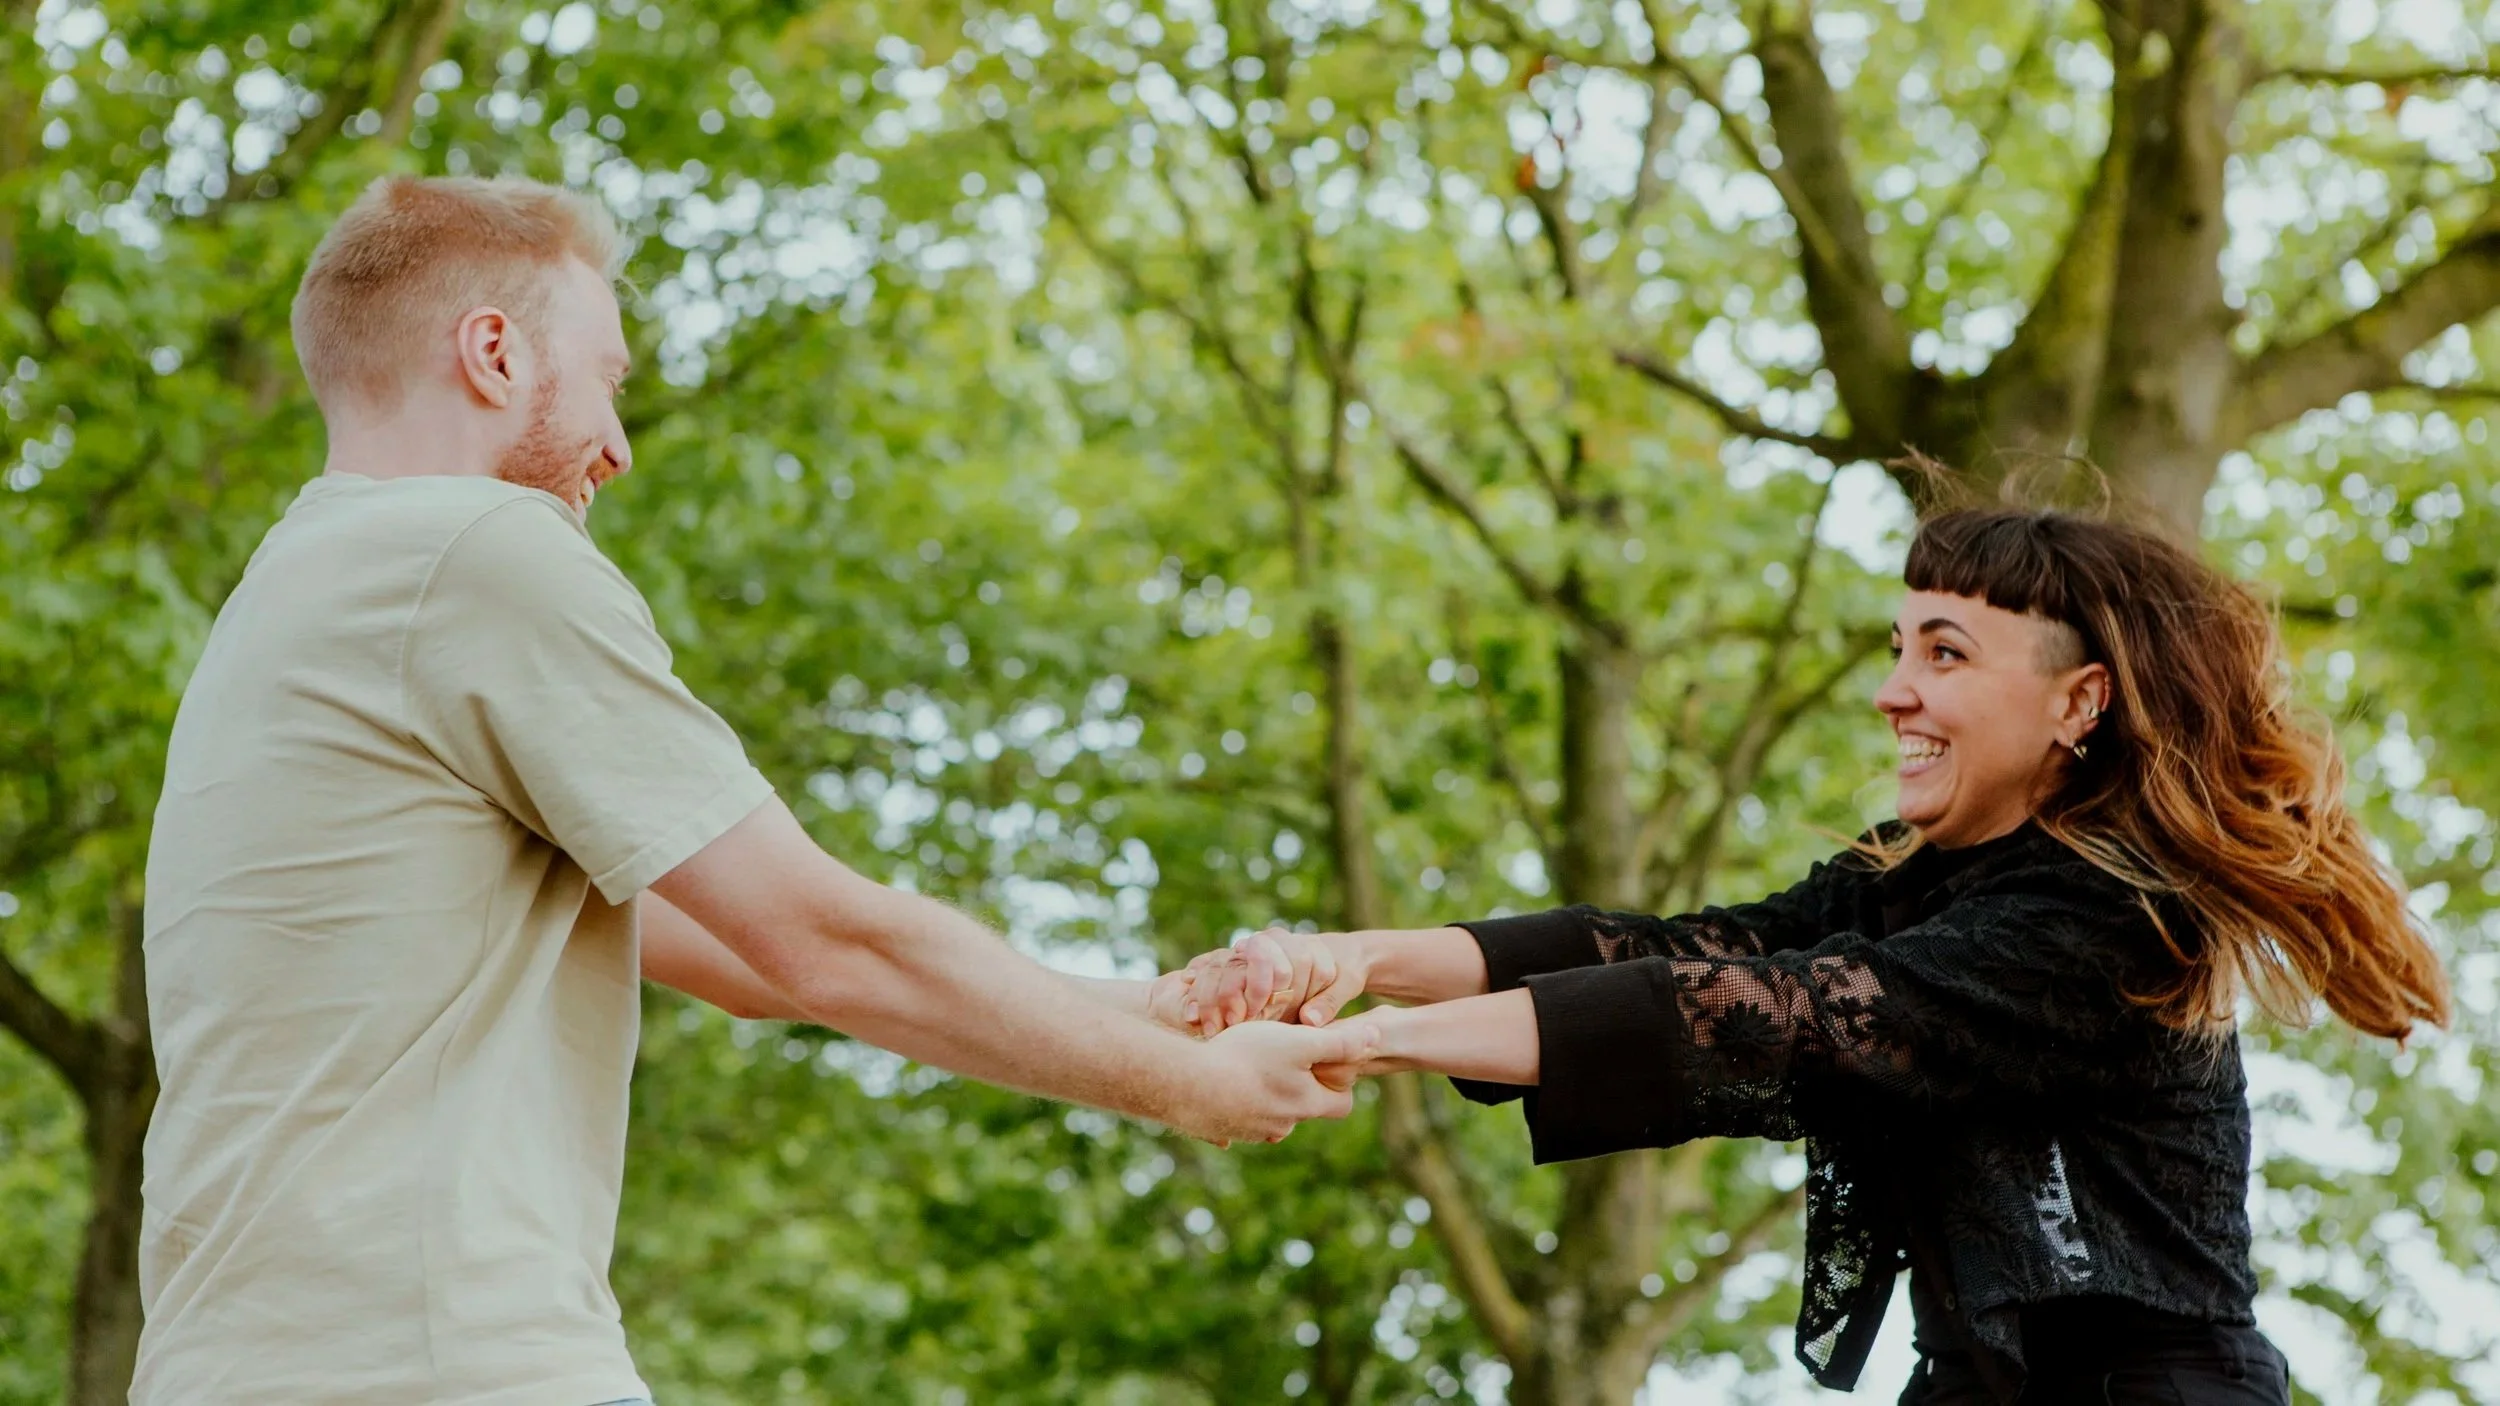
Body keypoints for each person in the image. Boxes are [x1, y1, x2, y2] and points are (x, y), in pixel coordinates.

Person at [137, 175, 1372, 1406]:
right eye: (608, 379)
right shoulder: (475, 550)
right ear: (495, 353)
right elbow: (822, 940)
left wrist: (1156, 1009)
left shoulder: (288, 603)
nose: (618, 447)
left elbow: (739, 957)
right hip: (444, 1365)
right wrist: (1192, 1088)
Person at [1173, 505, 2451, 1404]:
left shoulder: (2111, 919)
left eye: (1944, 652)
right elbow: (1675, 953)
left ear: (2079, 701)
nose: (1894, 690)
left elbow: (1758, 1014)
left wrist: (1364, 1042)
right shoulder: (1902, 877)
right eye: (1898, 648)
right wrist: (1349, 957)